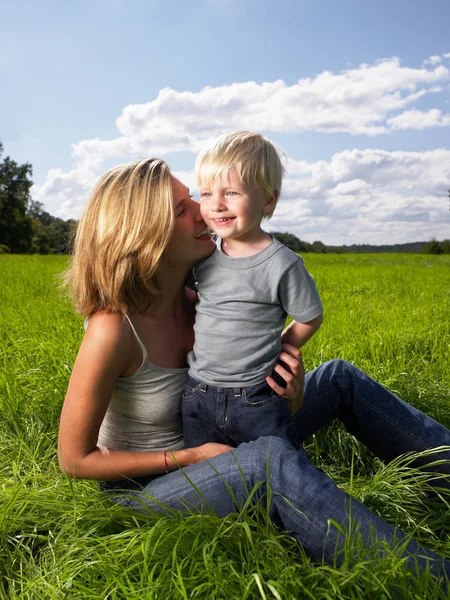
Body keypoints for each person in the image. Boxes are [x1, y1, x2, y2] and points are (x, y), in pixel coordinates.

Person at [58, 157, 450, 586]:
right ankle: (432, 581)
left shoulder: (201, 303)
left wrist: (290, 394)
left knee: (337, 377)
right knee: (269, 462)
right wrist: (186, 457)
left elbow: (246, 394)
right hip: (147, 490)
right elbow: (74, 459)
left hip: (225, 435)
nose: (202, 210)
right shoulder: (113, 328)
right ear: (142, 234)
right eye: (180, 208)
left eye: (192, 197)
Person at [182, 132, 323, 449]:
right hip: (197, 393)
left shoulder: (283, 264)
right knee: (206, 483)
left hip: (257, 396)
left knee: (277, 471)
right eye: (206, 194)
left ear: (268, 199)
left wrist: (280, 349)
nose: (216, 204)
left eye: (231, 192)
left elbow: (310, 317)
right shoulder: (203, 257)